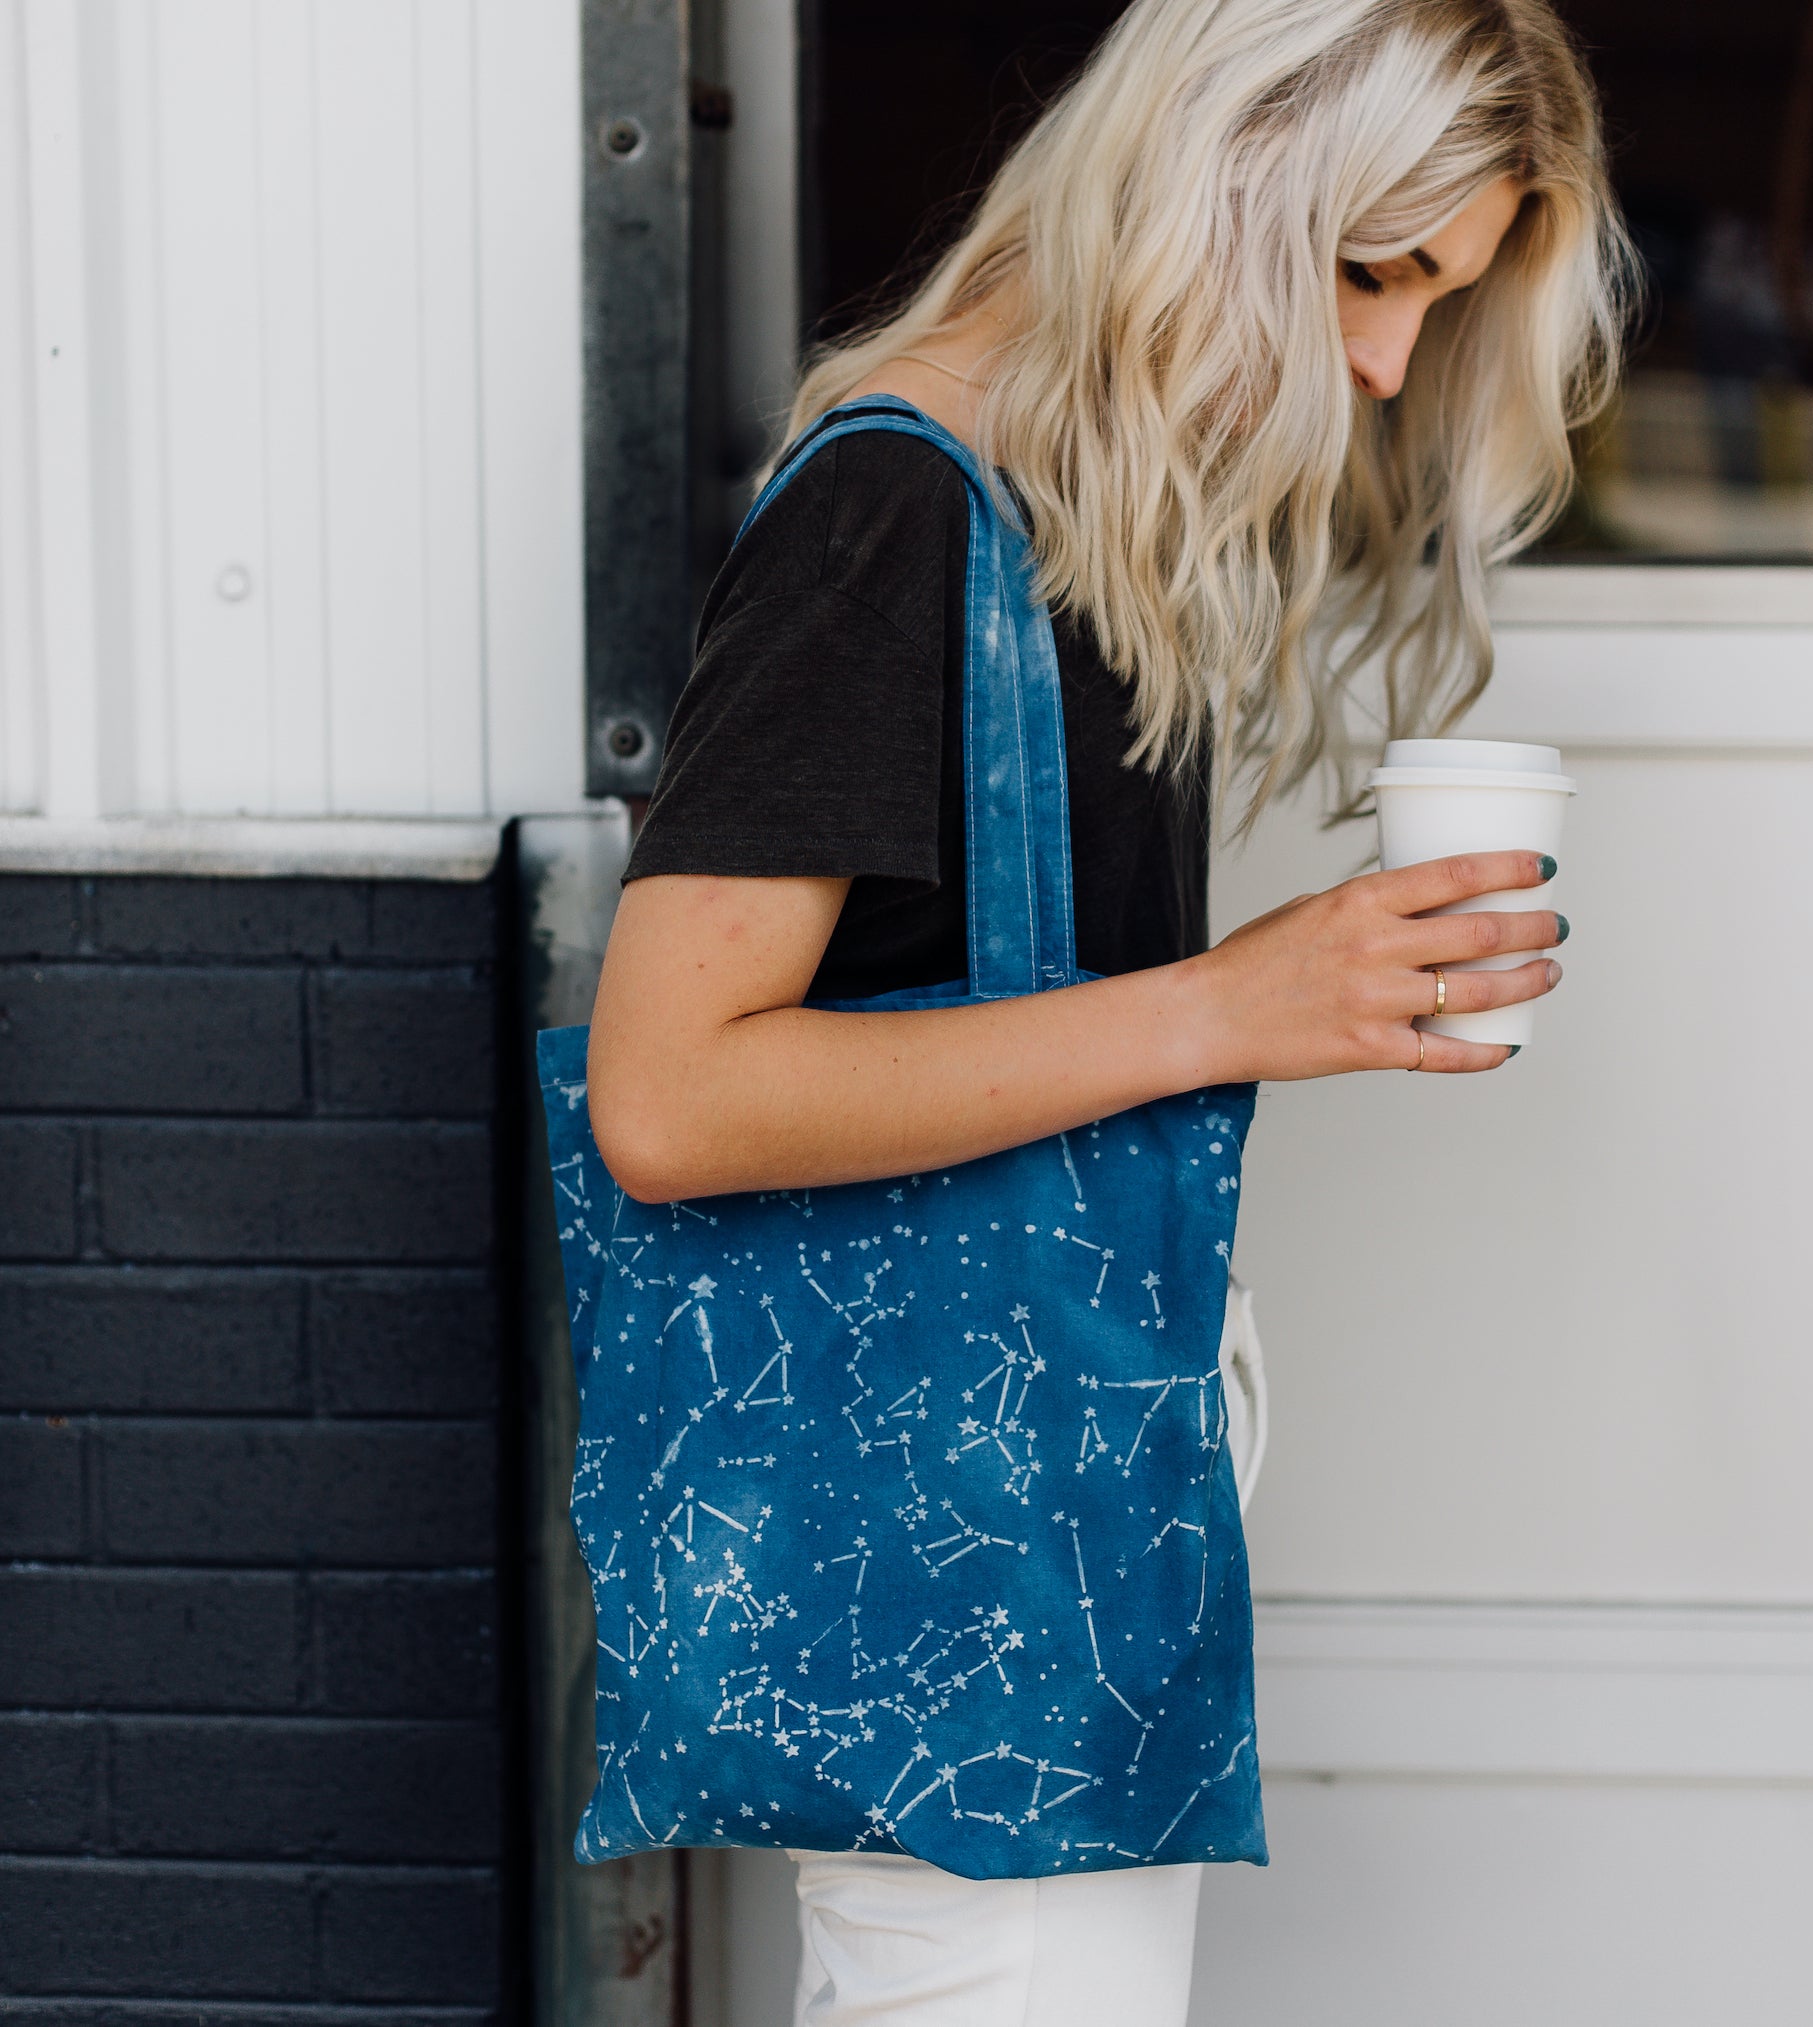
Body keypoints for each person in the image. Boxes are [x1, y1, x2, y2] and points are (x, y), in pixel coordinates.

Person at [588, 0, 1629, 2017]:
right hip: (969, 1520)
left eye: (1436, 304)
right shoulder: (897, 518)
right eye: (1371, 272)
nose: (1385, 363)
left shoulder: (1066, 511)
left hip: (1052, 1471)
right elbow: (668, 1096)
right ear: (1212, 173)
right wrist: (1230, 1008)